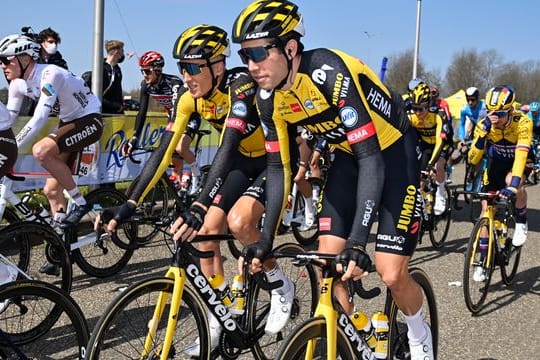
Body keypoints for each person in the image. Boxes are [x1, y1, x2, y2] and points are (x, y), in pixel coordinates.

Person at [232, 1, 433, 359]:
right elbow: (279, 168)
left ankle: (418, 333)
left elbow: (372, 156)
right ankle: (358, 332)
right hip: (349, 157)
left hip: (391, 153)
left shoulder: (328, 71)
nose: (251, 64)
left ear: (290, 48)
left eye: (259, 52)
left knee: (390, 273)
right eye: (244, 55)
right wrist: (265, 239)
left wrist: (357, 241)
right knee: (327, 263)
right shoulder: (268, 98)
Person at [99, 24, 294, 355]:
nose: (186, 76)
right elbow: (164, 151)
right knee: (204, 233)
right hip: (239, 162)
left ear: (218, 66)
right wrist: (130, 203)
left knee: (239, 222)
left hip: (272, 162)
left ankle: (280, 282)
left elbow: (228, 146)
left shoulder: (241, 86)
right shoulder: (190, 99)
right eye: (181, 68)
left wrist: (200, 203)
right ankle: (218, 313)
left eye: (193, 67)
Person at [0, 34, 103, 232]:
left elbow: (39, 119)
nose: (3, 66)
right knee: (52, 190)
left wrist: (13, 147)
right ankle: (61, 249)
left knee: (41, 151)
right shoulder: (17, 85)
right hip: (68, 123)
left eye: (6, 60)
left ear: (24, 58)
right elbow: (8, 122)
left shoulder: (50, 74)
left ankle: (82, 205)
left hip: (89, 120)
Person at [468, 85, 532, 281]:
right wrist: (481, 135)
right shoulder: (485, 124)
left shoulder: (523, 122)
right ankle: (482, 260)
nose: (494, 118)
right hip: (494, 166)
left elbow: (521, 156)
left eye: (500, 114)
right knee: (485, 213)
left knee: (512, 181)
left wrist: (513, 185)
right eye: (490, 113)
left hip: (517, 164)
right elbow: (472, 158)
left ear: (511, 111)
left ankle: (521, 221)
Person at [122, 51, 185, 180]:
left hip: (187, 116)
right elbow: (142, 113)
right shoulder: (145, 85)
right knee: (167, 151)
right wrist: (134, 139)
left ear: (157, 70)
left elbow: (177, 111)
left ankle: (190, 173)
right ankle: (178, 183)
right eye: (142, 71)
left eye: (147, 71)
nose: (144, 75)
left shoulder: (174, 83)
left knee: (177, 148)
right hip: (172, 116)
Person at [409, 83, 449, 215]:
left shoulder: (438, 115)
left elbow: (440, 142)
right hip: (426, 146)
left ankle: (441, 193)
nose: (418, 112)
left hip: (443, 145)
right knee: (420, 179)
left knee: (438, 167)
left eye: (421, 109)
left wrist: (431, 164)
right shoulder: (412, 116)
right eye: (414, 108)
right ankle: (423, 207)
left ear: (428, 105)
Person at [84, 40, 125, 114]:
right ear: (116, 52)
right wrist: (114, 105)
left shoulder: (117, 70)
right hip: (103, 113)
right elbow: (94, 95)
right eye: (122, 50)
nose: (123, 53)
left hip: (117, 113)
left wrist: (121, 105)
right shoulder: (100, 68)